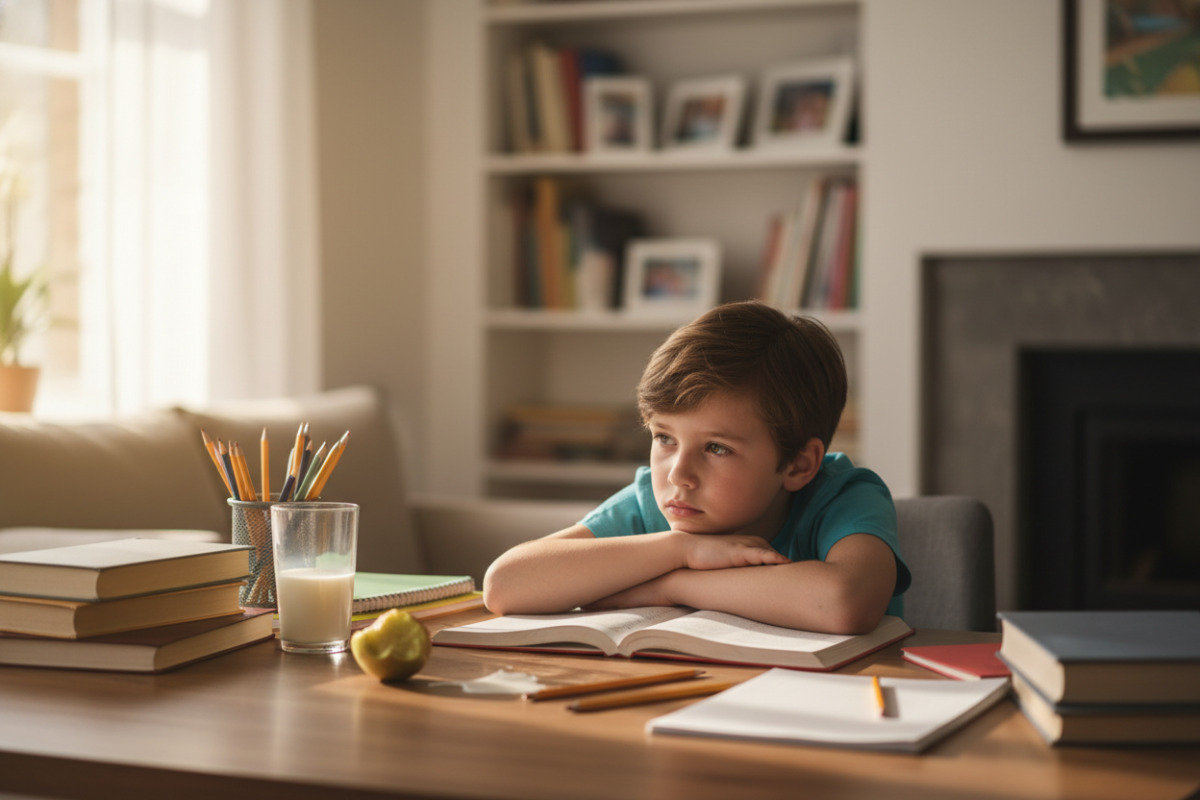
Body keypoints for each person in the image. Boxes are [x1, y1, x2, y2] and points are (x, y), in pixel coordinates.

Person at [483, 301, 910, 634]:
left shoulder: (842, 496)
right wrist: (681, 551)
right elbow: (505, 585)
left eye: (716, 448)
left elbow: (844, 602)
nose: (677, 475)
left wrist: (671, 586)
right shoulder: (651, 504)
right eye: (665, 438)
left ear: (798, 464)